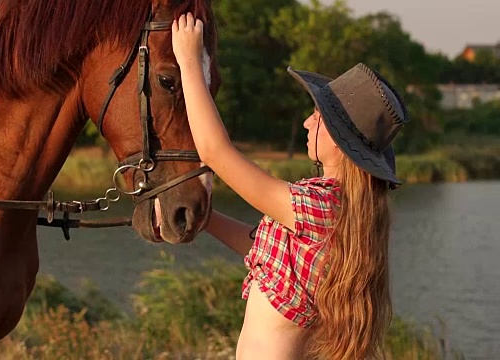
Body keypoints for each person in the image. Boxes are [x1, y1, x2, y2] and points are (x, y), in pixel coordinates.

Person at [172, 13, 410, 360]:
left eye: (318, 116)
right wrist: (205, 219)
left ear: (342, 141)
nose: (307, 121)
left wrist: (189, 62)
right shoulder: (341, 210)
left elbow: (215, 153)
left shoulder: (319, 207)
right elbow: (267, 247)